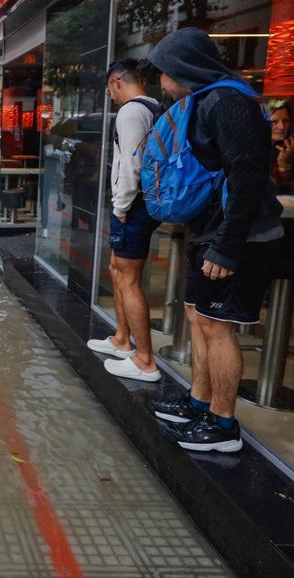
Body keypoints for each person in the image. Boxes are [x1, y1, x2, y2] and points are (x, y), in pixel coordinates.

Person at [145, 27, 284, 453]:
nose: (162, 81)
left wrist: (227, 245)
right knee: (199, 318)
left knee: (218, 327)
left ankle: (223, 425)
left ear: (183, 68)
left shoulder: (230, 103)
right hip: (208, 231)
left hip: (234, 237)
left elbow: (247, 177)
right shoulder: (206, 102)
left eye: (164, 72)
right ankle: (199, 402)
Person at [87, 60, 163, 383]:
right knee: (117, 270)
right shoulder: (154, 108)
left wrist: (120, 207)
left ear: (117, 82)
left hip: (133, 206)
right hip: (138, 204)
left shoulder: (132, 112)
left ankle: (145, 360)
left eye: (109, 91)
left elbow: (130, 164)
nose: (111, 97)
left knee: (128, 278)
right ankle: (121, 339)